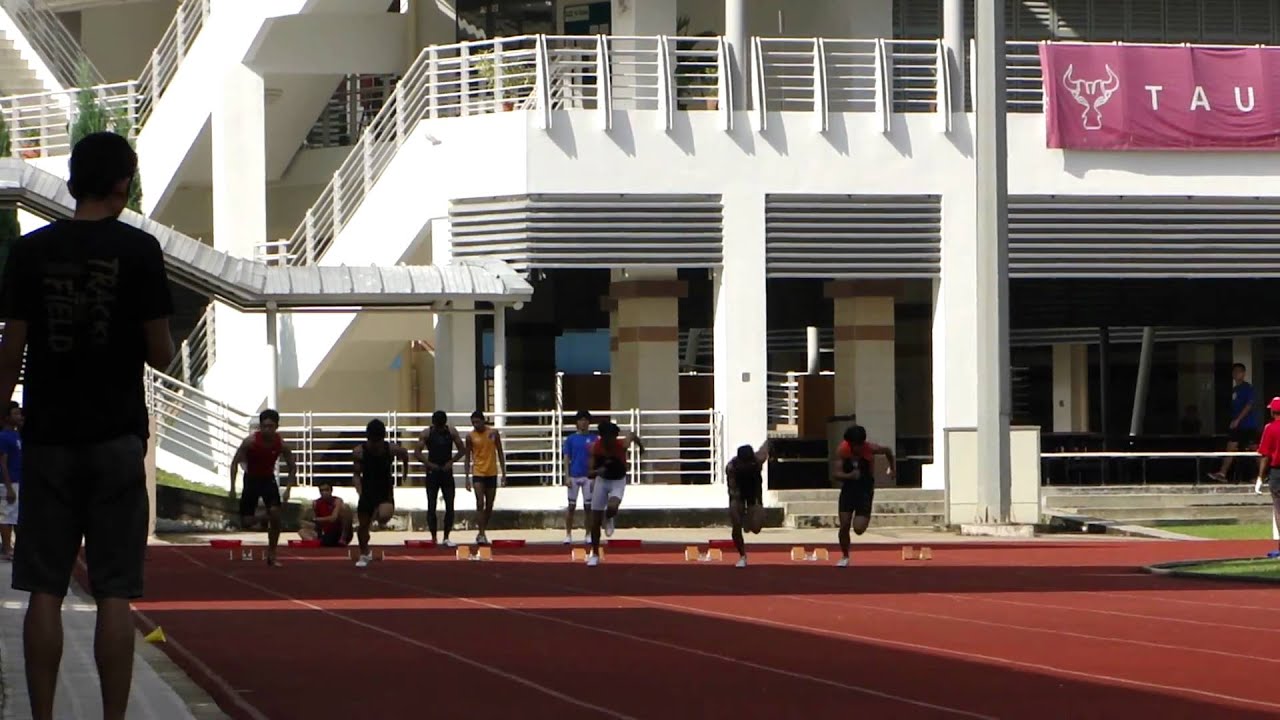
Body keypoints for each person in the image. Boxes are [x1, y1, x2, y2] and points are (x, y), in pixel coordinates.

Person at [0, 131, 174, 720]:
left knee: (44, 589)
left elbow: (13, 345)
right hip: (117, 435)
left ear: (75, 180)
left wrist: (3, 407)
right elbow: (161, 353)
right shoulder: (141, 250)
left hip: (48, 435)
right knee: (114, 592)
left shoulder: (29, 251)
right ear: (123, 182)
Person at [230, 409, 297, 567]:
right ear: (260, 426)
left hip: (268, 480)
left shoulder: (281, 444)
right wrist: (232, 487)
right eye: (265, 426)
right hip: (251, 479)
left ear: (276, 427)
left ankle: (272, 553)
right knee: (246, 522)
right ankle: (263, 516)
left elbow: (292, 467)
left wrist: (288, 489)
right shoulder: (250, 442)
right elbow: (234, 463)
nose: (268, 429)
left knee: (276, 516)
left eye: (271, 426)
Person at [832, 424, 895, 568]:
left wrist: (892, 468)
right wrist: (849, 476)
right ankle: (845, 555)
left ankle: (863, 518)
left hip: (865, 489)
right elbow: (835, 474)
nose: (856, 449)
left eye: (859, 446)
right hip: (848, 488)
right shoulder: (843, 450)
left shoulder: (871, 448)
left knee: (859, 529)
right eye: (853, 446)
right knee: (844, 525)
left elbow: (888, 451)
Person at [586, 421, 644, 567]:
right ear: (601, 437)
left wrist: (641, 447)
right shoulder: (595, 448)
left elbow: (632, 436)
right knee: (594, 522)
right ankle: (594, 553)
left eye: (612, 438)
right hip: (602, 481)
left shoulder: (622, 445)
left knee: (612, 507)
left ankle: (609, 517)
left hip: (618, 480)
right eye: (606, 438)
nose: (609, 442)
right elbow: (589, 473)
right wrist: (598, 471)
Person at [353, 418, 410, 567]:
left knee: (384, 516)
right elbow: (356, 475)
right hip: (367, 490)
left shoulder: (390, 449)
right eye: (373, 442)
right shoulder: (360, 452)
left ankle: (375, 515)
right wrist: (359, 490)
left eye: (378, 442)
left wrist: (405, 472)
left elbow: (405, 454)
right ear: (368, 439)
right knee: (362, 527)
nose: (375, 446)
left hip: (384, 489)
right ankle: (364, 553)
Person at [415, 410, 466, 548]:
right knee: (431, 506)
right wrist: (428, 464)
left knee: (450, 506)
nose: (439, 428)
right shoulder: (427, 433)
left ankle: (446, 537)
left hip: (446, 471)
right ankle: (433, 537)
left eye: (440, 426)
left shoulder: (451, 432)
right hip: (433, 472)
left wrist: (451, 462)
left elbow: (462, 449)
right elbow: (417, 452)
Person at [1210, 363, 1258, 483]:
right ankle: (1222, 473)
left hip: (1248, 425)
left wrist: (1238, 419)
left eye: (1239, 372)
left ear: (1243, 373)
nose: (1236, 374)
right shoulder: (1235, 390)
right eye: (1234, 372)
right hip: (1237, 426)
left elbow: (1249, 405)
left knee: (1254, 450)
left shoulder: (1248, 388)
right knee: (1231, 447)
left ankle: (1264, 474)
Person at [464, 410, 505, 546]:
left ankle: (482, 528)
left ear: (483, 421)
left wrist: (504, 472)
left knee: (490, 504)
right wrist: (467, 477)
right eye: (473, 423)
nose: (476, 425)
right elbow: (467, 456)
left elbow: (499, 451)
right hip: (478, 472)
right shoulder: (470, 436)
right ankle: (481, 533)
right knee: (480, 503)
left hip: (491, 471)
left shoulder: (492, 433)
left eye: (477, 422)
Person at [726, 440, 770, 568]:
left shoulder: (758, 459)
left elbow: (766, 447)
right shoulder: (732, 467)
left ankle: (748, 521)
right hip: (738, 494)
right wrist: (740, 514)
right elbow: (732, 490)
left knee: (756, 528)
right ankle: (742, 555)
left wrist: (771, 445)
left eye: (748, 463)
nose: (746, 466)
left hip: (753, 494)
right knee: (735, 519)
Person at [562, 410, 597, 545]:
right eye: (581, 420)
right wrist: (567, 476)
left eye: (586, 420)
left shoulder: (594, 438)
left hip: (588, 476)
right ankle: (568, 534)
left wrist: (595, 477)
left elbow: (597, 458)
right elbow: (566, 458)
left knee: (588, 507)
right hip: (574, 476)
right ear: (576, 422)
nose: (583, 422)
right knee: (571, 506)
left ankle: (588, 534)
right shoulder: (571, 439)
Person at [1256, 397, 1280, 558]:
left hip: (1277, 472)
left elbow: (1265, 455)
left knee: (1279, 510)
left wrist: (1259, 477)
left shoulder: (1270, 428)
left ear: (1272, 411)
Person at [299, 482, 353, 547]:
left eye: (327, 490)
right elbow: (315, 523)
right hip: (327, 533)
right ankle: (318, 541)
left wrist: (316, 519)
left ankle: (343, 538)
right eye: (322, 490)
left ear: (331, 491)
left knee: (346, 507)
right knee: (302, 531)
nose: (324, 493)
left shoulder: (337, 501)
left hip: (338, 531)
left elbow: (333, 518)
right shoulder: (316, 503)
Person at [0, 402, 22, 561]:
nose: (19, 416)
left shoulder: (18, 435)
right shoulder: (3, 436)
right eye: (15, 414)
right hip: (9, 482)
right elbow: (3, 462)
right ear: (7, 418)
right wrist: (8, 487)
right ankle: (7, 549)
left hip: (18, 481)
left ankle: (12, 547)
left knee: (15, 516)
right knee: (6, 516)